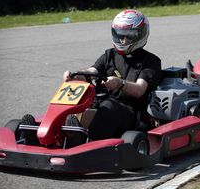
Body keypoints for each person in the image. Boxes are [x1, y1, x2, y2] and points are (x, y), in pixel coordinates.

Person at [63, 9, 162, 140]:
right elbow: (92, 72)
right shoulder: (109, 55)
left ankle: (86, 142)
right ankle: (49, 135)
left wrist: (120, 84)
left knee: (108, 106)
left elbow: (139, 89)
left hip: (130, 113)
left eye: (129, 35)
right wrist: (75, 76)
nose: (123, 40)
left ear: (140, 34)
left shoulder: (150, 61)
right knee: (75, 101)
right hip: (103, 105)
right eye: (120, 35)